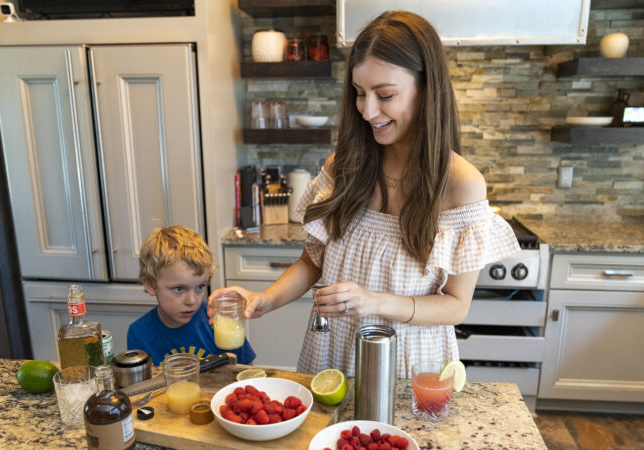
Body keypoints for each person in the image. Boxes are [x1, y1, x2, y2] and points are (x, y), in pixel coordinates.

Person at [209, 10, 519, 378]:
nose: (368, 111)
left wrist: (373, 302)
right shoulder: (346, 166)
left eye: (385, 94)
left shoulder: (459, 182)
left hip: (407, 363)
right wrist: (264, 300)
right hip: (332, 353)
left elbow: (455, 306)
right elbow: (312, 263)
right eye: (359, 93)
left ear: (426, 89)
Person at [128, 225, 256, 366]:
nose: (192, 300)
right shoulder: (139, 333)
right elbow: (144, 386)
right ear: (151, 285)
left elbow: (248, 372)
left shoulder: (219, 321)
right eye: (179, 289)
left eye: (200, 287)